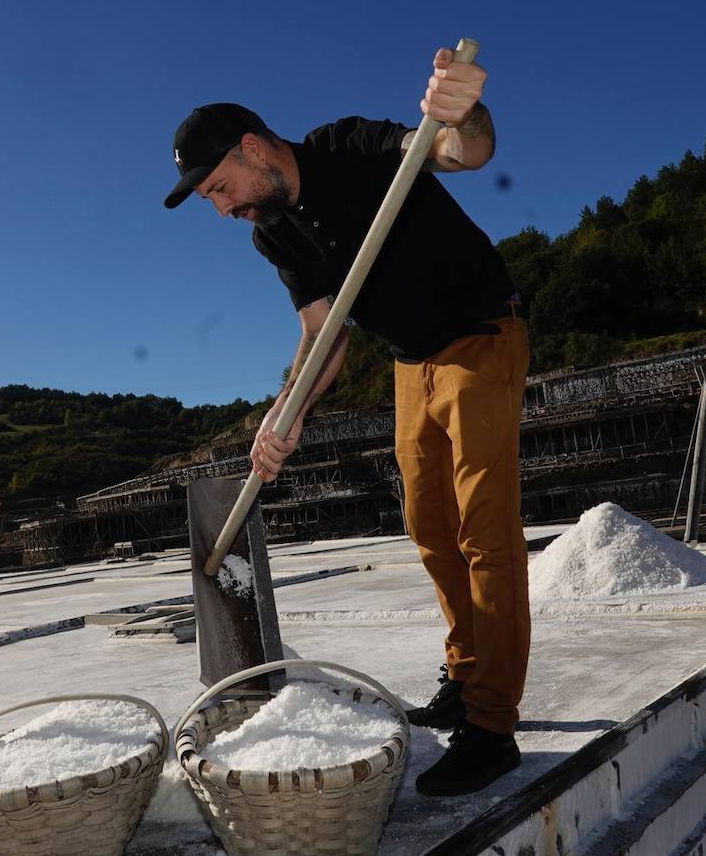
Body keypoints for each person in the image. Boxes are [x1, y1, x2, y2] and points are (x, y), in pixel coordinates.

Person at [163, 48, 530, 797]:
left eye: (221, 188)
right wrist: (283, 411)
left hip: (480, 334)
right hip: (409, 360)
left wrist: (466, 111)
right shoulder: (275, 233)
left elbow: (460, 150)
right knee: (428, 526)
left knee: (482, 527)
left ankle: (492, 726)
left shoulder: (346, 146)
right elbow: (321, 333)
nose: (224, 208)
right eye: (212, 199)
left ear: (255, 149)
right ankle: (466, 674)